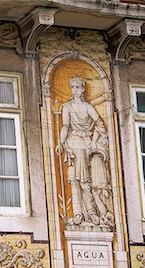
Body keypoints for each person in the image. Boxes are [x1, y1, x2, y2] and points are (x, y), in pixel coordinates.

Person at [55, 77, 113, 226]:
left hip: (86, 144)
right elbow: (66, 126)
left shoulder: (88, 107)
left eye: (77, 87)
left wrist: (93, 142)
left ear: (82, 89)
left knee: (86, 182)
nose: (74, 90)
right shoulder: (67, 107)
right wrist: (61, 143)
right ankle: (78, 214)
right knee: (74, 181)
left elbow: (100, 125)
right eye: (72, 87)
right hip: (72, 143)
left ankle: (92, 213)